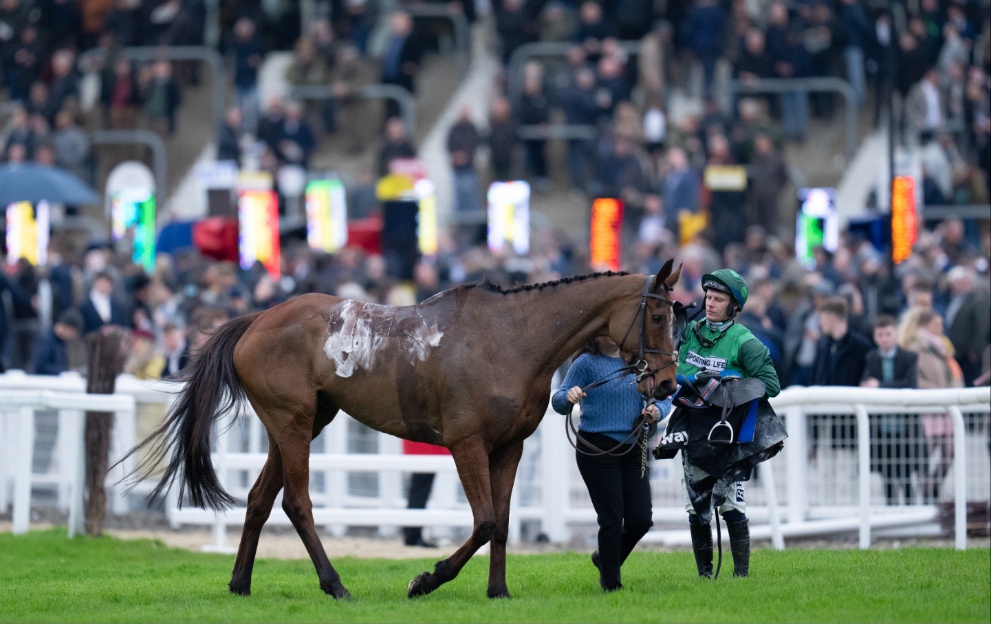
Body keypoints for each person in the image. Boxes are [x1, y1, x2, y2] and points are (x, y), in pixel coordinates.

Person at [671, 269, 780, 578]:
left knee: (731, 505)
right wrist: (698, 380)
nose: (710, 303)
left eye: (718, 299)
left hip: (727, 435)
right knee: (696, 507)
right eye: (708, 297)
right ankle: (705, 577)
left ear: (734, 307)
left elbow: (771, 385)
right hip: (692, 430)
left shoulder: (745, 341)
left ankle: (740, 576)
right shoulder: (689, 331)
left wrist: (730, 383)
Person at [552, 336, 670, 592]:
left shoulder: (639, 361)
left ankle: (605, 559)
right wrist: (569, 396)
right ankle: (611, 586)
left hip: (633, 446)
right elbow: (558, 400)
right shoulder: (586, 362)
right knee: (612, 518)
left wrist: (658, 410)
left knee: (640, 519)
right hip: (596, 449)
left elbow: (665, 394)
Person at [860, 315, 923, 505]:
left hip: (904, 427)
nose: (884, 339)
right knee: (886, 475)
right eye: (880, 335)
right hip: (882, 428)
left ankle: (910, 510)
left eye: (888, 334)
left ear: (895, 335)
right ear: (875, 337)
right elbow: (865, 382)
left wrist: (880, 385)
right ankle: (891, 510)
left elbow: (910, 384)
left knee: (905, 474)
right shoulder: (871, 358)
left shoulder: (909, 357)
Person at [902, 308, 964, 502]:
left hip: (946, 406)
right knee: (925, 453)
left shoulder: (942, 347)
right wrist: (936, 390)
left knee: (949, 450)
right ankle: (925, 490)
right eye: (936, 324)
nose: (940, 328)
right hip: (929, 407)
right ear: (923, 326)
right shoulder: (914, 348)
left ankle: (932, 487)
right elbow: (914, 379)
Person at [28, 308, 84, 375]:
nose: (72, 337)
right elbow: (40, 367)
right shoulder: (46, 340)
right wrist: (66, 371)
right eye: (72, 333)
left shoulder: (61, 342)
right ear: (66, 327)